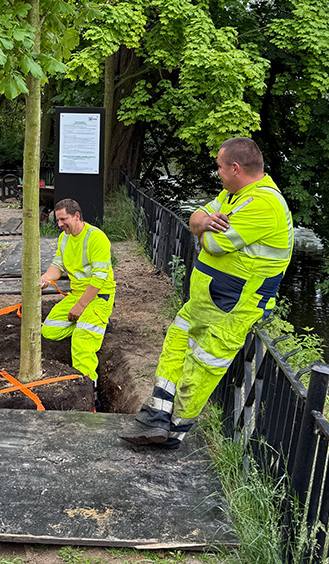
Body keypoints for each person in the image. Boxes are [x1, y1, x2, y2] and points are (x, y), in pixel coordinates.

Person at [122, 137, 294, 450]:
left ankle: (174, 432)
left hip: (233, 308)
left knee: (202, 365)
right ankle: (157, 414)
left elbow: (212, 244)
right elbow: (196, 216)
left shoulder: (264, 205)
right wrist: (202, 223)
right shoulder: (235, 195)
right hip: (207, 301)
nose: (216, 172)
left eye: (218, 166)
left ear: (236, 168)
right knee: (176, 340)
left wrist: (202, 232)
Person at [41, 199, 115, 394]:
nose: (59, 225)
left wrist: (81, 306)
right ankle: (92, 325)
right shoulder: (64, 238)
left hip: (99, 295)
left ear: (76, 216)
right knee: (49, 330)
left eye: (63, 219)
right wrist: (45, 279)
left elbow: (99, 280)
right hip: (77, 294)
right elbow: (57, 267)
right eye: (57, 220)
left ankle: (89, 391)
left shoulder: (96, 238)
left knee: (81, 343)